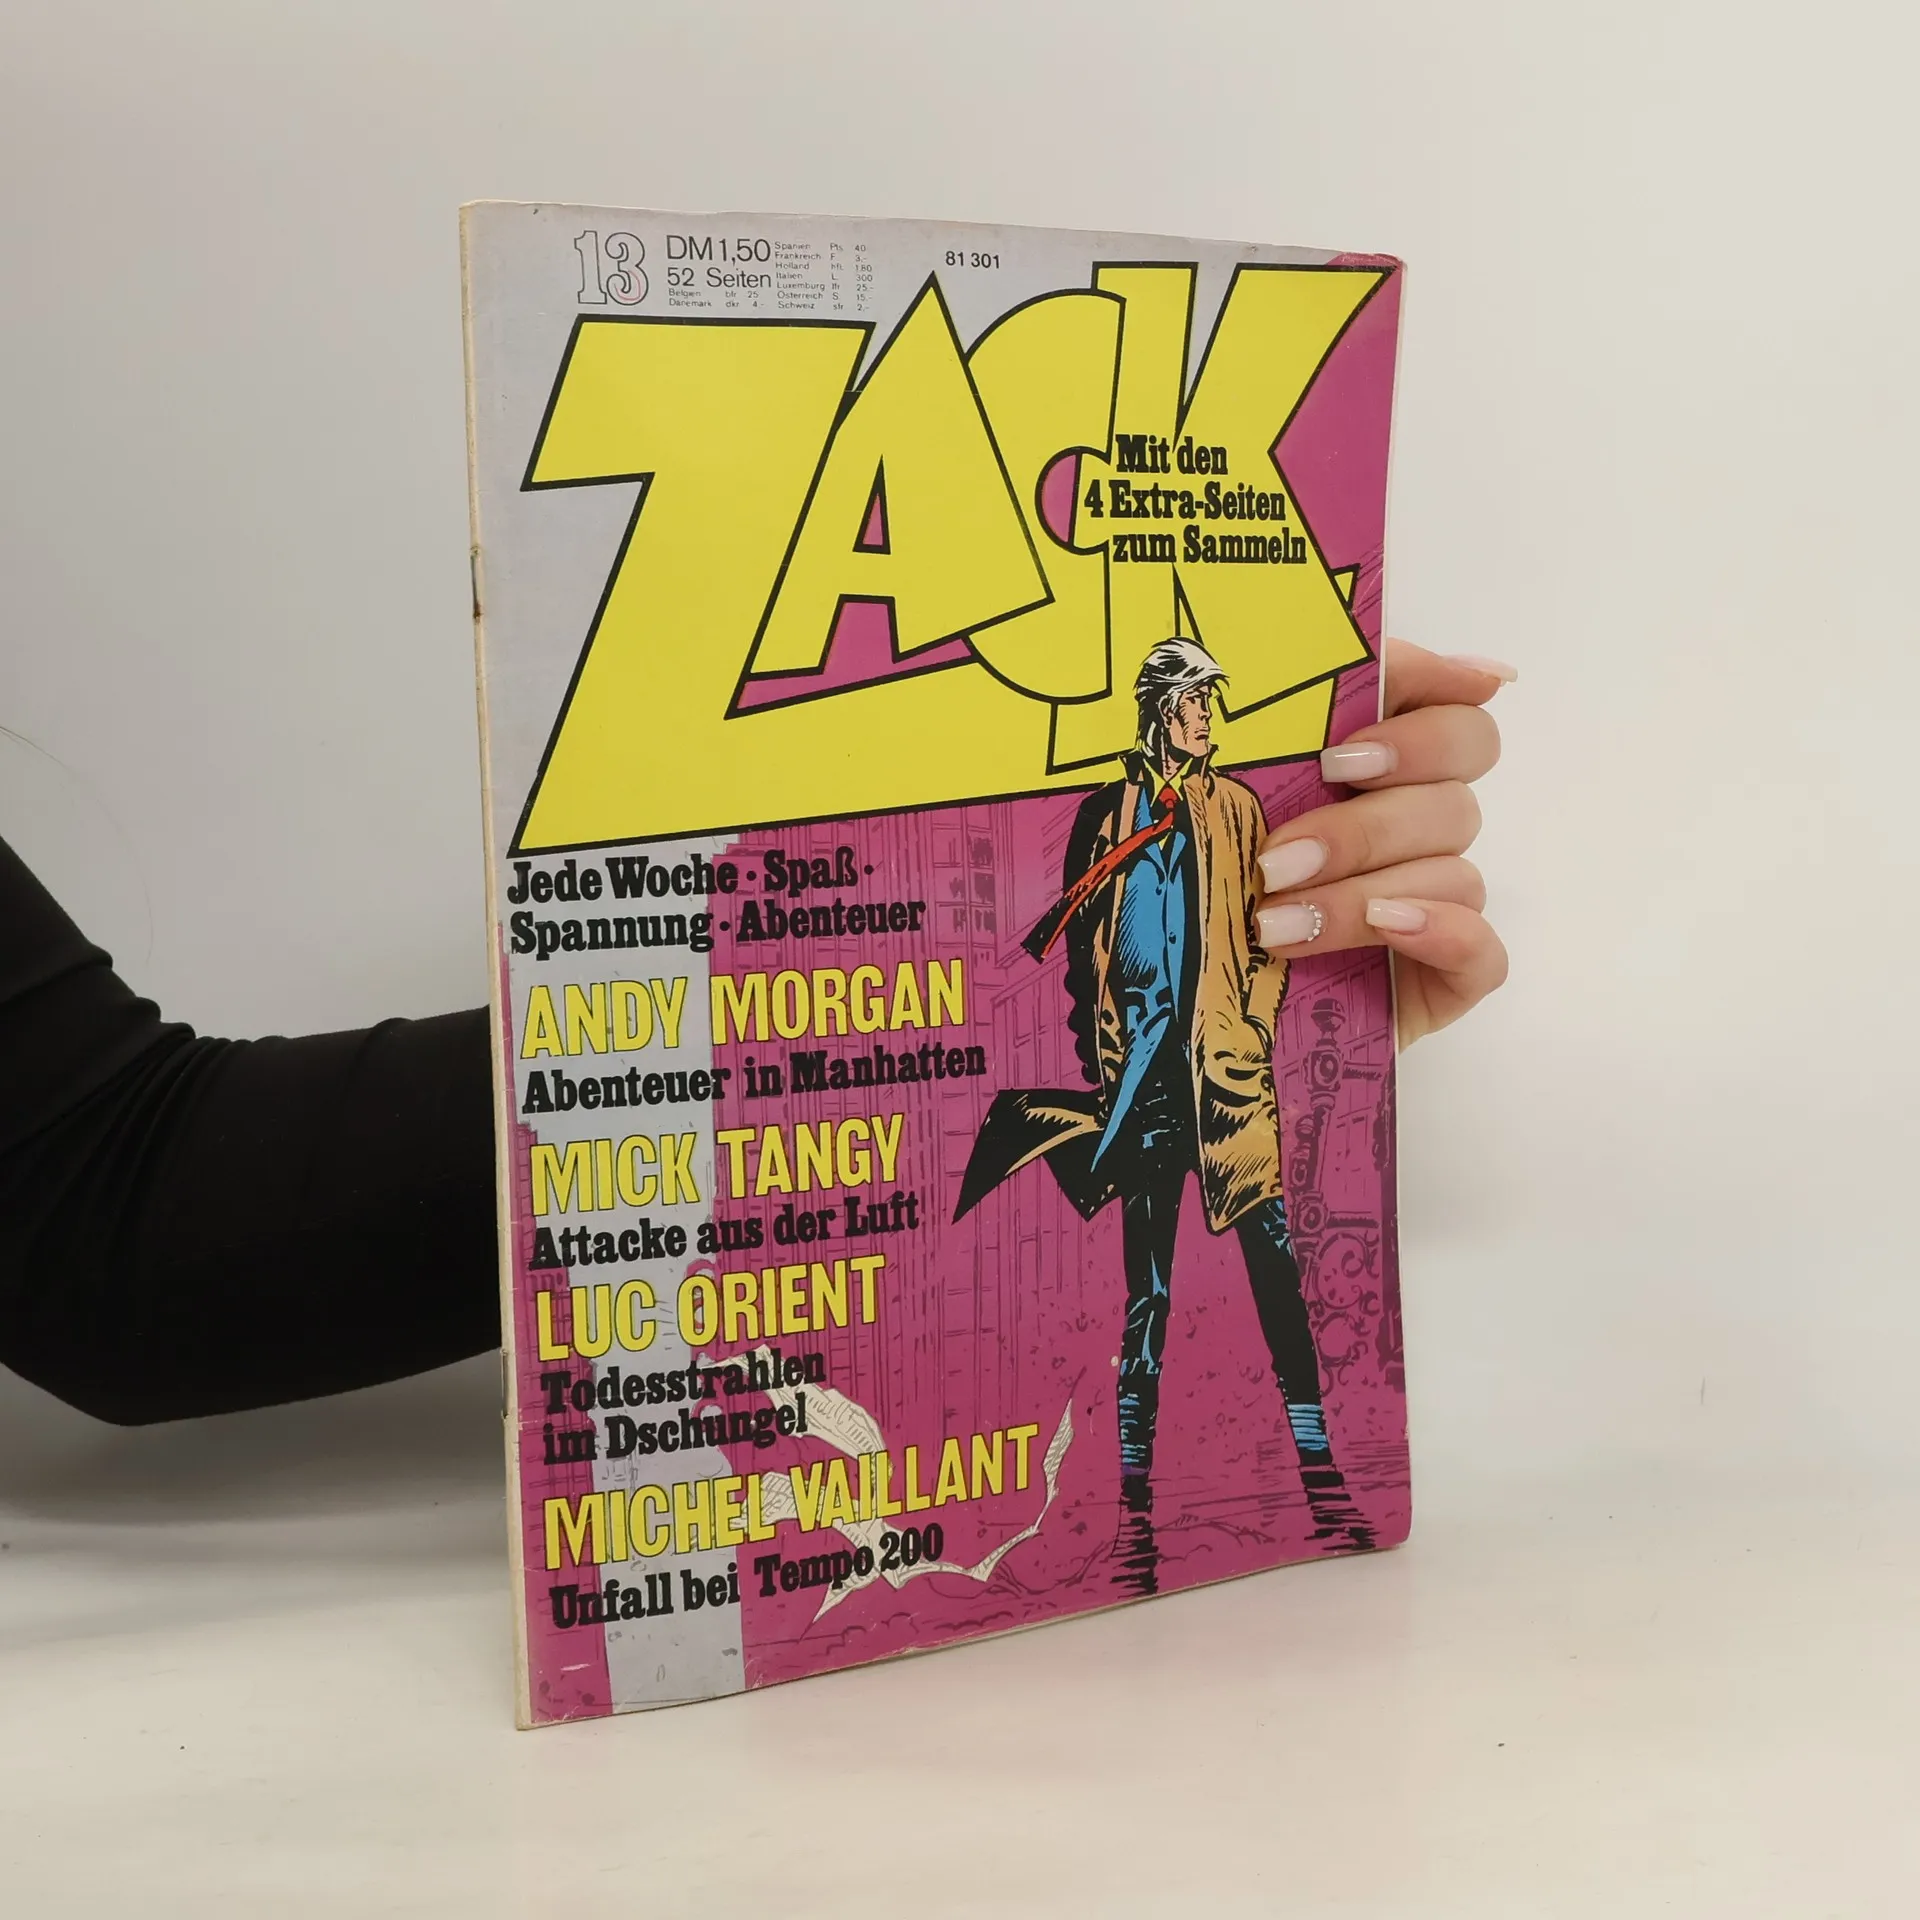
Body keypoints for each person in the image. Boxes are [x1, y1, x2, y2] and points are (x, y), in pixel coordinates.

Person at [0, 639, 1510, 1427]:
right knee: (1152, 1290)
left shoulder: (1216, 812)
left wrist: (1283, 1010)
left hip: (1203, 1087)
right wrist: (920, 1030)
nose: (1194, 731)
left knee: (1237, 1279)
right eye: (1188, 713)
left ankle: (1277, 1444)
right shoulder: (1121, 818)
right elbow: (102, 1222)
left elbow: (103, 1212)